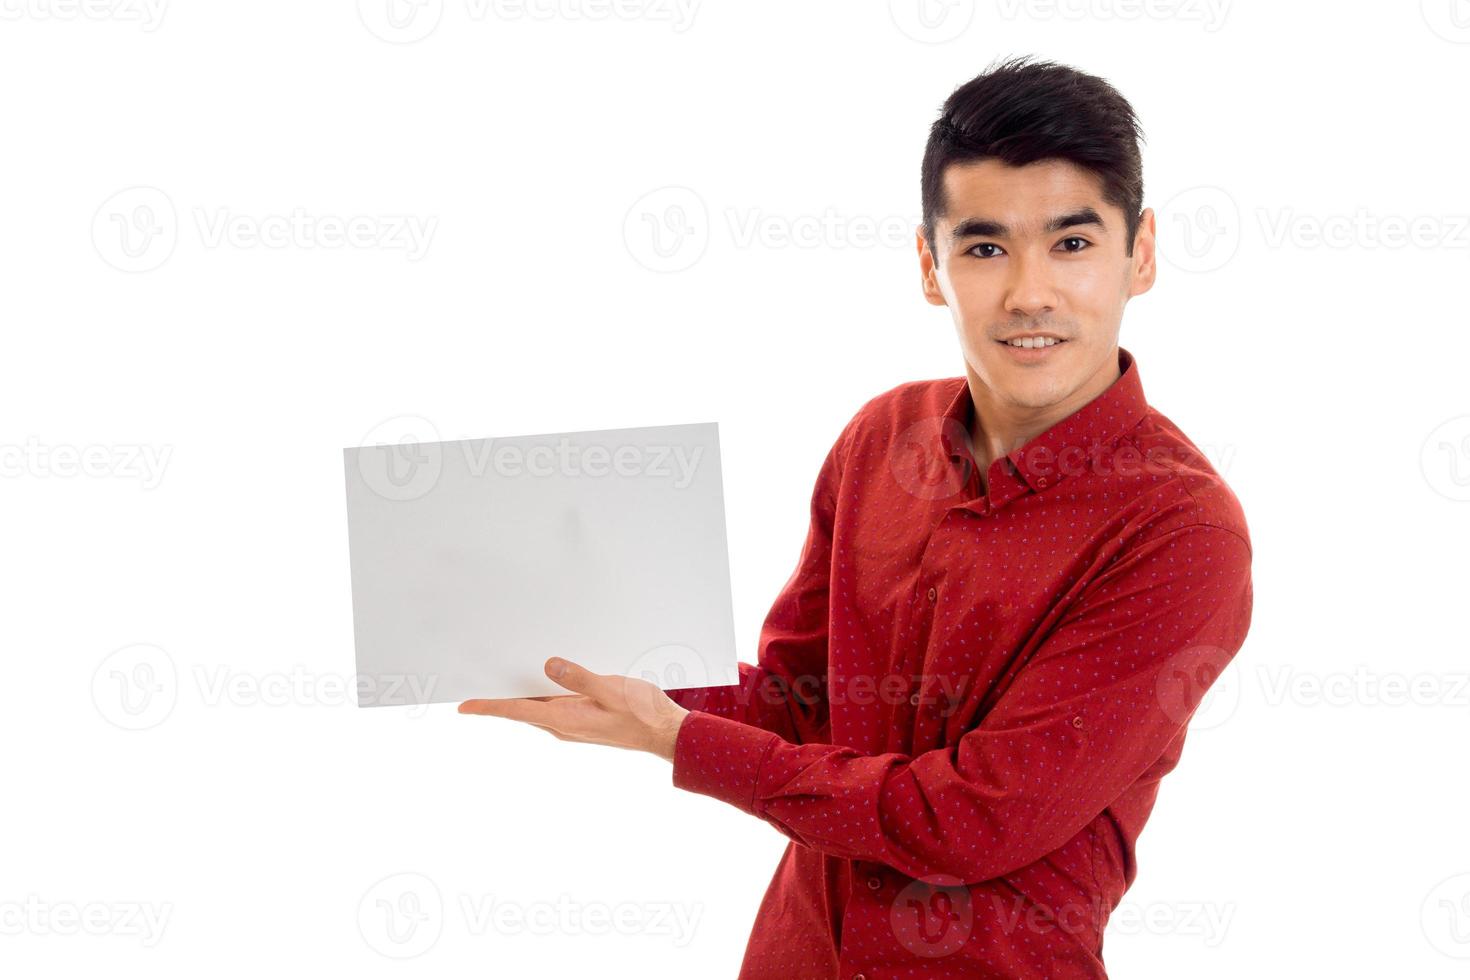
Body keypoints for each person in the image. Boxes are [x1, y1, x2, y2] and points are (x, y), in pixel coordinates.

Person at [460, 55, 1253, 979]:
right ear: (930, 265)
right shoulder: (883, 440)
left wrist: (678, 739)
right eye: (985, 247)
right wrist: (611, 667)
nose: (1030, 292)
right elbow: (800, 707)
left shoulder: (1181, 532)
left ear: (1141, 253)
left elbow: (971, 819)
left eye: (1072, 245)